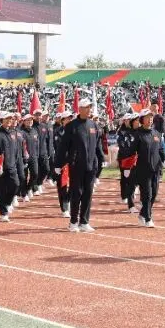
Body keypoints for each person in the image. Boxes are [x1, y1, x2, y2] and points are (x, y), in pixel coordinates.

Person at [56, 98, 106, 232]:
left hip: (91, 166)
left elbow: (98, 145)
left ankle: (84, 221)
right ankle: (73, 222)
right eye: (86, 107)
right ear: (80, 109)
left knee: (88, 194)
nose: (89, 109)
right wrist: (58, 164)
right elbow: (63, 147)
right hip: (76, 165)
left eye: (90, 107)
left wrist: (101, 158)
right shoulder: (72, 126)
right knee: (76, 193)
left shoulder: (94, 125)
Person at [130, 107, 164, 227]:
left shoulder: (156, 133)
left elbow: (160, 149)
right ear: (142, 119)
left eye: (151, 117)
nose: (150, 119)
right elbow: (132, 151)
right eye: (147, 117)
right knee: (147, 194)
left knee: (154, 194)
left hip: (156, 168)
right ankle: (148, 218)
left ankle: (143, 213)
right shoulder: (137, 134)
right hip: (143, 169)